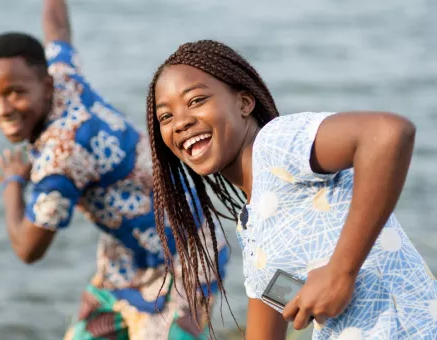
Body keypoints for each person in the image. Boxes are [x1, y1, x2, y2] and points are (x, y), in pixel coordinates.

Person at [145, 39, 437, 339]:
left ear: (244, 103)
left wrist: (341, 271)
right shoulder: (254, 234)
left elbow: (387, 134)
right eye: (166, 116)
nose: (179, 122)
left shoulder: (276, 144)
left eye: (196, 100)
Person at [0, 1, 229, 339]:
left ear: (46, 85)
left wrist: (12, 183)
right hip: (127, 258)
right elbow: (57, 28)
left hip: (188, 249)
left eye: (15, 93)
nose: (2, 108)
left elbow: (28, 249)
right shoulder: (64, 76)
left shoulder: (60, 160)